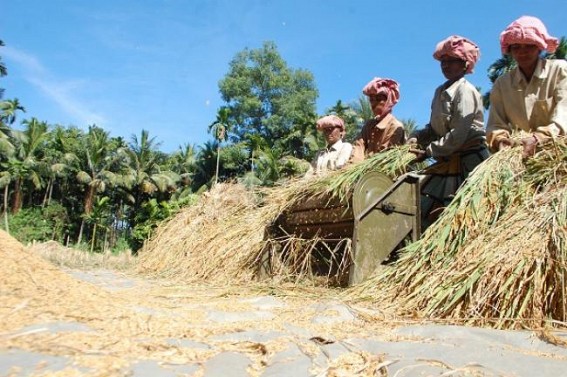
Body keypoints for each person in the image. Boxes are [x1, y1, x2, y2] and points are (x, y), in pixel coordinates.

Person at [408, 35, 488, 229]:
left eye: (452, 61)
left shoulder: (466, 91)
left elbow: (459, 133)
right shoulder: (439, 92)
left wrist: (428, 152)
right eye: (443, 61)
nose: (446, 65)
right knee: (423, 205)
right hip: (447, 159)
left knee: (468, 213)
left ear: (465, 64)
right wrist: (417, 136)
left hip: (470, 161)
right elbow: (434, 127)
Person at [487, 15, 567, 158]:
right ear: (510, 51)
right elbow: (496, 123)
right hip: (521, 154)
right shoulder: (502, 84)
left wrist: (540, 138)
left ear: (539, 48)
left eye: (529, 46)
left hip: (560, 149)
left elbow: (564, 113)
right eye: (516, 47)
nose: (522, 52)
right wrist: (500, 140)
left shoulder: (560, 70)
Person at [350, 78, 405, 163]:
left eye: (379, 99)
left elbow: (385, 158)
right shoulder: (368, 126)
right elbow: (358, 147)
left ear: (388, 101)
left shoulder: (395, 126)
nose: (374, 103)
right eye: (371, 100)